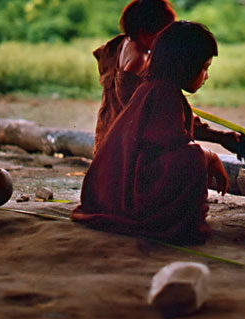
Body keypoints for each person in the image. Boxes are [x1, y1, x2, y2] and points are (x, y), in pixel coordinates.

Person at [73, 21, 229, 245]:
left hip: (121, 191)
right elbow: (172, 150)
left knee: (194, 155)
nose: (206, 76)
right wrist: (209, 156)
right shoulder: (163, 94)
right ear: (184, 65)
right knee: (193, 158)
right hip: (135, 196)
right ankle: (165, 220)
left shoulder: (153, 87)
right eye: (204, 68)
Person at [92, 0, 177, 156]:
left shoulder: (120, 44)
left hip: (106, 136)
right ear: (145, 35)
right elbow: (141, 112)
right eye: (164, 35)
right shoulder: (139, 59)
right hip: (124, 149)